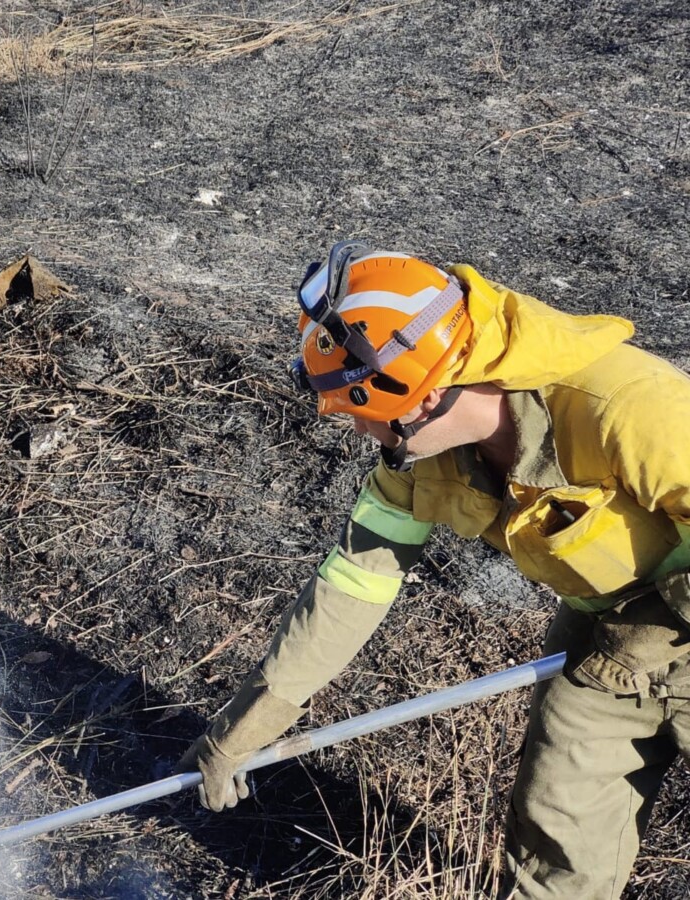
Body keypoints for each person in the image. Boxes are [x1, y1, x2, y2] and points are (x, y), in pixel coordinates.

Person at [181, 240, 690, 898]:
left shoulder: (626, 407)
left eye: (360, 413)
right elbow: (353, 583)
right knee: (554, 844)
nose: (360, 431)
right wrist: (247, 725)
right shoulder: (420, 461)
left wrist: (657, 628)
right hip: (606, 641)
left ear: (419, 398)